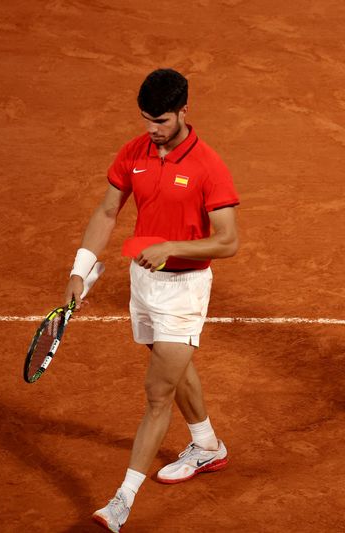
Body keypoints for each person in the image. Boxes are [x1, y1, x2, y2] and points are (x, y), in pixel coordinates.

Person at [63, 68, 240, 531]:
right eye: (145, 120)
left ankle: (122, 500)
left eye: (160, 120)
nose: (152, 130)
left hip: (185, 290)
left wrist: (171, 247)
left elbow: (228, 241)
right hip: (143, 284)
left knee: (157, 393)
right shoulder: (134, 152)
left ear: (184, 110)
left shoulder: (209, 166)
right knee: (173, 366)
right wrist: (80, 271)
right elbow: (106, 211)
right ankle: (206, 445)